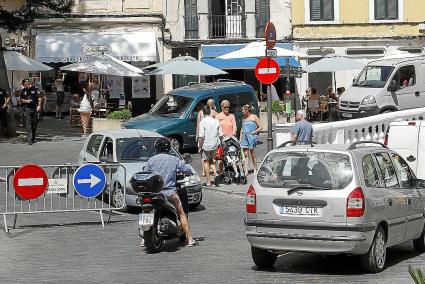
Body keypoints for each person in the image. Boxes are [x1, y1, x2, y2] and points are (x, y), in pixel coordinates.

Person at [143, 138, 198, 247]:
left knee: (146, 211)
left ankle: (143, 239)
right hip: (169, 193)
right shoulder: (174, 159)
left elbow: (145, 172)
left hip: (154, 193)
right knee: (181, 213)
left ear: (156, 148)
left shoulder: (151, 160)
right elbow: (188, 169)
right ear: (169, 148)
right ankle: (190, 239)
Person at [198, 105, 223, 187]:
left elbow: (201, 136)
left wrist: (200, 147)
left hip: (206, 145)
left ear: (203, 112)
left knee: (206, 161)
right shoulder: (216, 121)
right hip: (215, 144)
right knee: (212, 160)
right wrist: (220, 144)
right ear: (210, 112)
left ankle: (208, 181)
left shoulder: (203, 122)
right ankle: (215, 173)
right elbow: (221, 134)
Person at [215, 100, 238, 176]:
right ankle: (221, 173)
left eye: (228, 107)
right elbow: (216, 127)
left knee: (232, 156)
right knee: (221, 158)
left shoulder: (232, 116)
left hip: (230, 139)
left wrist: (233, 133)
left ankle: (232, 171)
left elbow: (235, 127)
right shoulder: (218, 116)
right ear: (221, 107)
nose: (227, 108)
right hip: (221, 139)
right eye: (225, 107)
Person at [196, 98, 217, 176]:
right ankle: (212, 169)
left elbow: (198, 124)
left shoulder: (201, 112)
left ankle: (204, 171)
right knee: (212, 154)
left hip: (202, 135)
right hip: (211, 136)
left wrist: (198, 135)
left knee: (203, 155)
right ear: (212, 104)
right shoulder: (214, 112)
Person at [240, 104, 263, 174]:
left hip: (251, 137)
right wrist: (240, 138)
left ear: (247, 110)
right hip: (244, 137)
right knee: (246, 154)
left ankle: (255, 168)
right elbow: (242, 129)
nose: (242, 111)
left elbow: (260, 127)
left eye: (243, 110)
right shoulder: (243, 118)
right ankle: (246, 171)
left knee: (253, 154)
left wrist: (254, 132)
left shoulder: (254, 117)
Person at [20, 79, 42, 145]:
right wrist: (26, 101)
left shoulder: (35, 89)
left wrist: (39, 106)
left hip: (34, 109)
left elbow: (39, 98)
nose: (23, 86)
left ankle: (33, 138)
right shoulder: (23, 90)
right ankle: (29, 139)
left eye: (23, 84)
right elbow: (21, 99)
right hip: (27, 109)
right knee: (28, 124)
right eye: (23, 85)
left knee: (34, 124)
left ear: (27, 83)